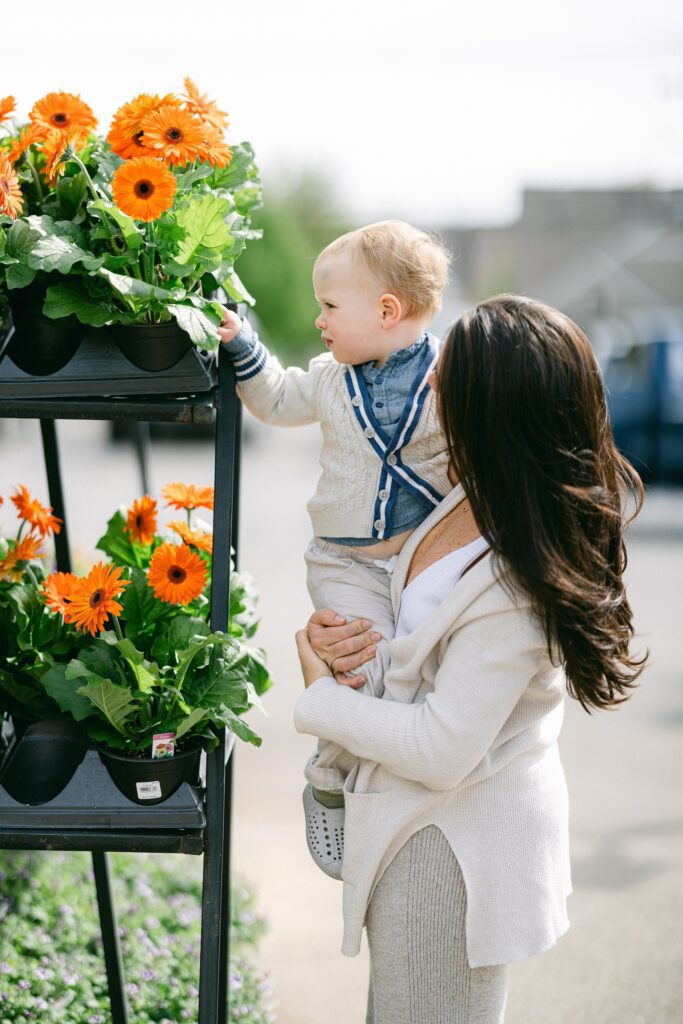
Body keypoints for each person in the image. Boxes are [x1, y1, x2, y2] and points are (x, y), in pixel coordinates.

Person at [293, 294, 647, 1024]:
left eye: (444, 377)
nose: (424, 385)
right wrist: (344, 647)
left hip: (456, 856)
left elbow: (443, 747)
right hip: (420, 830)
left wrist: (319, 696)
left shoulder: (521, 577)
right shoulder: (466, 490)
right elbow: (413, 641)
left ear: (490, 407)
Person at [217, 220, 451, 877]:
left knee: (417, 681)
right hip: (345, 562)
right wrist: (243, 348)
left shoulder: (450, 380)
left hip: (420, 563)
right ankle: (330, 773)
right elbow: (274, 398)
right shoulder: (327, 378)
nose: (318, 319)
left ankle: (393, 794)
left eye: (328, 306)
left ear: (386, 311)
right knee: (355, 668)